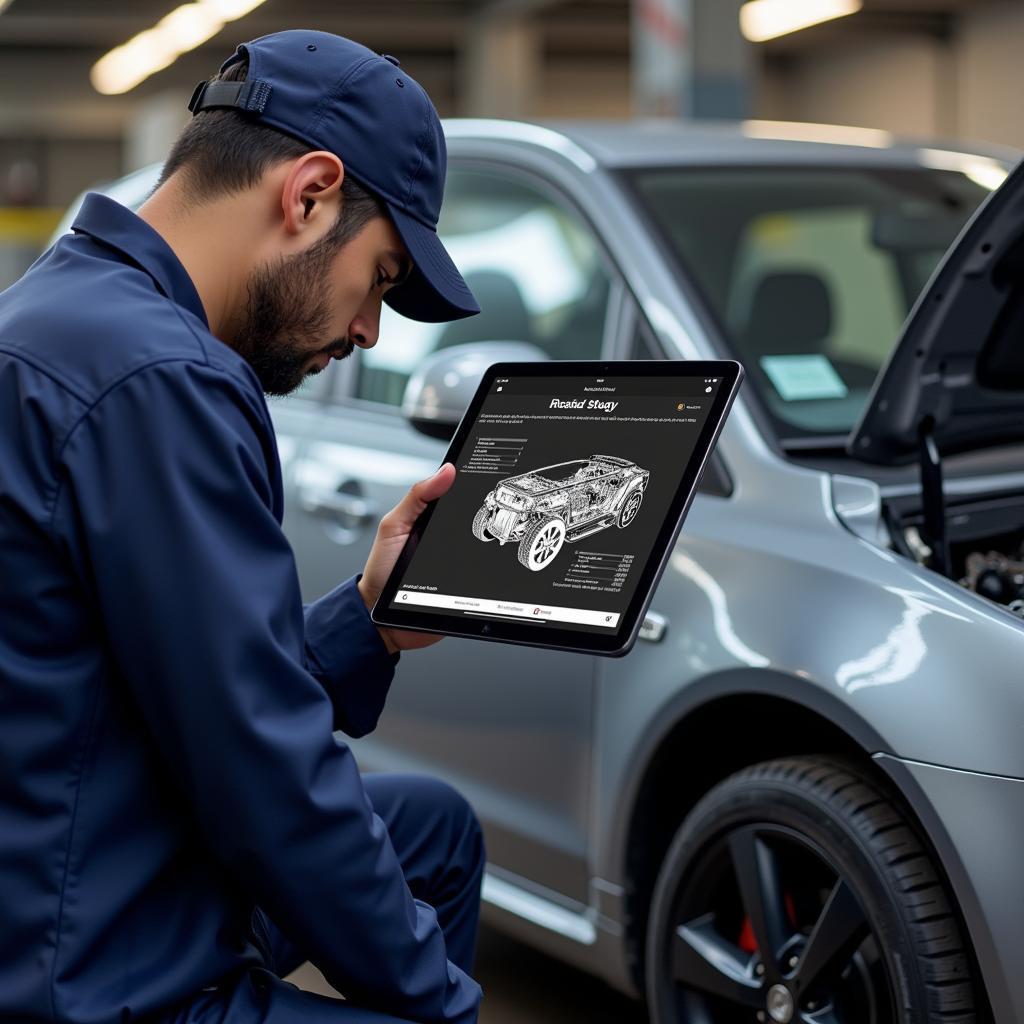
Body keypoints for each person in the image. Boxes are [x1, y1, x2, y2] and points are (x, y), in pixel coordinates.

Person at [0, 30, 486, 1024]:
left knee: (430, 826)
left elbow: (186, 681)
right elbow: (261, 770)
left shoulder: (66, 317)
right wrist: (447, 1006)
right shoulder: (162, 379)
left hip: (80, 855)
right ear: (308, 194)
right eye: (383, 278)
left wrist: (367, 619)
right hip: (93, 972)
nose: (367, 331)